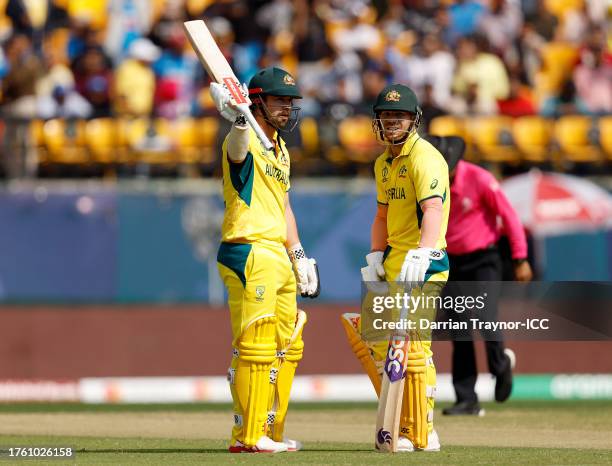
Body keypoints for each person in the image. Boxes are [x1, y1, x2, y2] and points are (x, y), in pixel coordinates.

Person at [211, 66, 320, 453]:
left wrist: (300, 256)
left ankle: (271, 432)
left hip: (278, 253)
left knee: (287, 346)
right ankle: (248, 435)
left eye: (291, 102)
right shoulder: (242, 139)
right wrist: (240, 122)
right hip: (249, 247)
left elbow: (284, 206)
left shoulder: (281, 149)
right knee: (255, 346)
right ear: (257, 102)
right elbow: (237, 151)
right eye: (279, 101)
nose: (288, 109)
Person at [341, 84, 450, 452]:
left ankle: (423, 430)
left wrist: (423, 252)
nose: (391, 123)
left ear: (414, 120)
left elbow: (433, 209)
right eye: (386, 117)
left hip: (425, 266)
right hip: (392, 265)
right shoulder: (383, 163)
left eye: (398, 116)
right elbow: (382, 215)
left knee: (415, 349)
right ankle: (400, 422)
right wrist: (375, 254)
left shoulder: (426, 157)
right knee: (376, 343)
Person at [438, 136, 533, 416]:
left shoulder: (480, 179)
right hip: (449, 261)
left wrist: (520, 258)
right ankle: (466, 398)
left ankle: (500, 367)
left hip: (483, 259)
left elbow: (510, 217)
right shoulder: (431, 183)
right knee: (459, 329)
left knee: (485, 317)